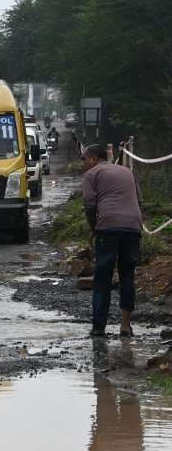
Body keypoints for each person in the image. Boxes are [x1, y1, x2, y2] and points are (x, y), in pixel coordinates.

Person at [81, 144, 143, 337]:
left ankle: (99, 327)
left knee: (102, 278)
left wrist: (94, 229)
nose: (82, 163)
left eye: (83, 159)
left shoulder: (92, 175)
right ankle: (125, 326)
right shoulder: (127, 171)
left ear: (92, 159)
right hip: (133, 227)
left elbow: (90, 206)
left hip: (108, 228)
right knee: (127, 275)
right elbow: (139, 201)